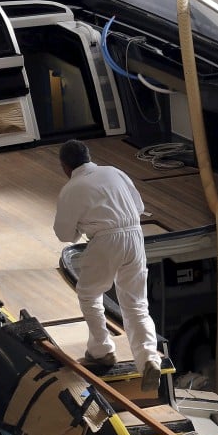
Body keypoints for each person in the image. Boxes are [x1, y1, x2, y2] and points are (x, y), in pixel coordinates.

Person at [53, 139, 162, 391]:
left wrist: (83, 226)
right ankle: (148, 358)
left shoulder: (71, 188)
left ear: (64, 166)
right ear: (89, 156)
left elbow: (64, 235)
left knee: (89, 293)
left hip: (106, 240)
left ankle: (102, 350)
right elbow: (139, 206)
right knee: (136, 303)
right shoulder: (115, 172)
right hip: (135, 235)